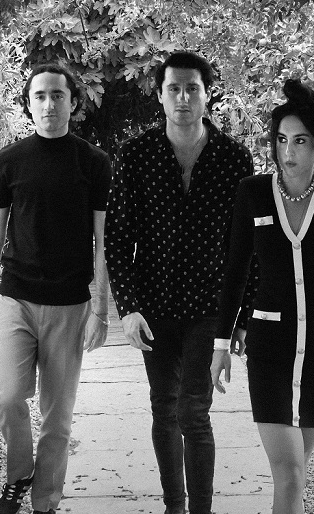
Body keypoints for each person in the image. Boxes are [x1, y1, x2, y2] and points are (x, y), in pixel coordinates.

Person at [105, 51, 255, 514]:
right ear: (160, 95)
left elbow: (246, 245)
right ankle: (174, 505)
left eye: (193, 88)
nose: (183, 98)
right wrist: (128, 308)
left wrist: (242, 317)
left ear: (208, 95)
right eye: (174, 88)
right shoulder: (136, 155)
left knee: (193, 410)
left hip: (210, 305)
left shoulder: (233, 158)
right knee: (163, 407)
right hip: (153, 304)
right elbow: (117, 238)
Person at [210, 78, 314, 514]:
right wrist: (221, 344)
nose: (289, 151)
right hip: (270, 345)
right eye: (282, 140)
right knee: (290, 473)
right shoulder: (252, 192)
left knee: (295, 473)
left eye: (300, 140)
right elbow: (235, 270)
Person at [0, 63, 112, 514]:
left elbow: (104, 241)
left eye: (57, 95)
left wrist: (100, 309)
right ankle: (19, 476)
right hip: (15, 296)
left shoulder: (94, 162)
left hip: (69, 305)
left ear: (73, 102)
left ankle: (45, 501)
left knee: (57, 418)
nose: (49, 104)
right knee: (7, 395)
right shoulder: (10, 160)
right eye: (40, 96)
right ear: (29, 104)